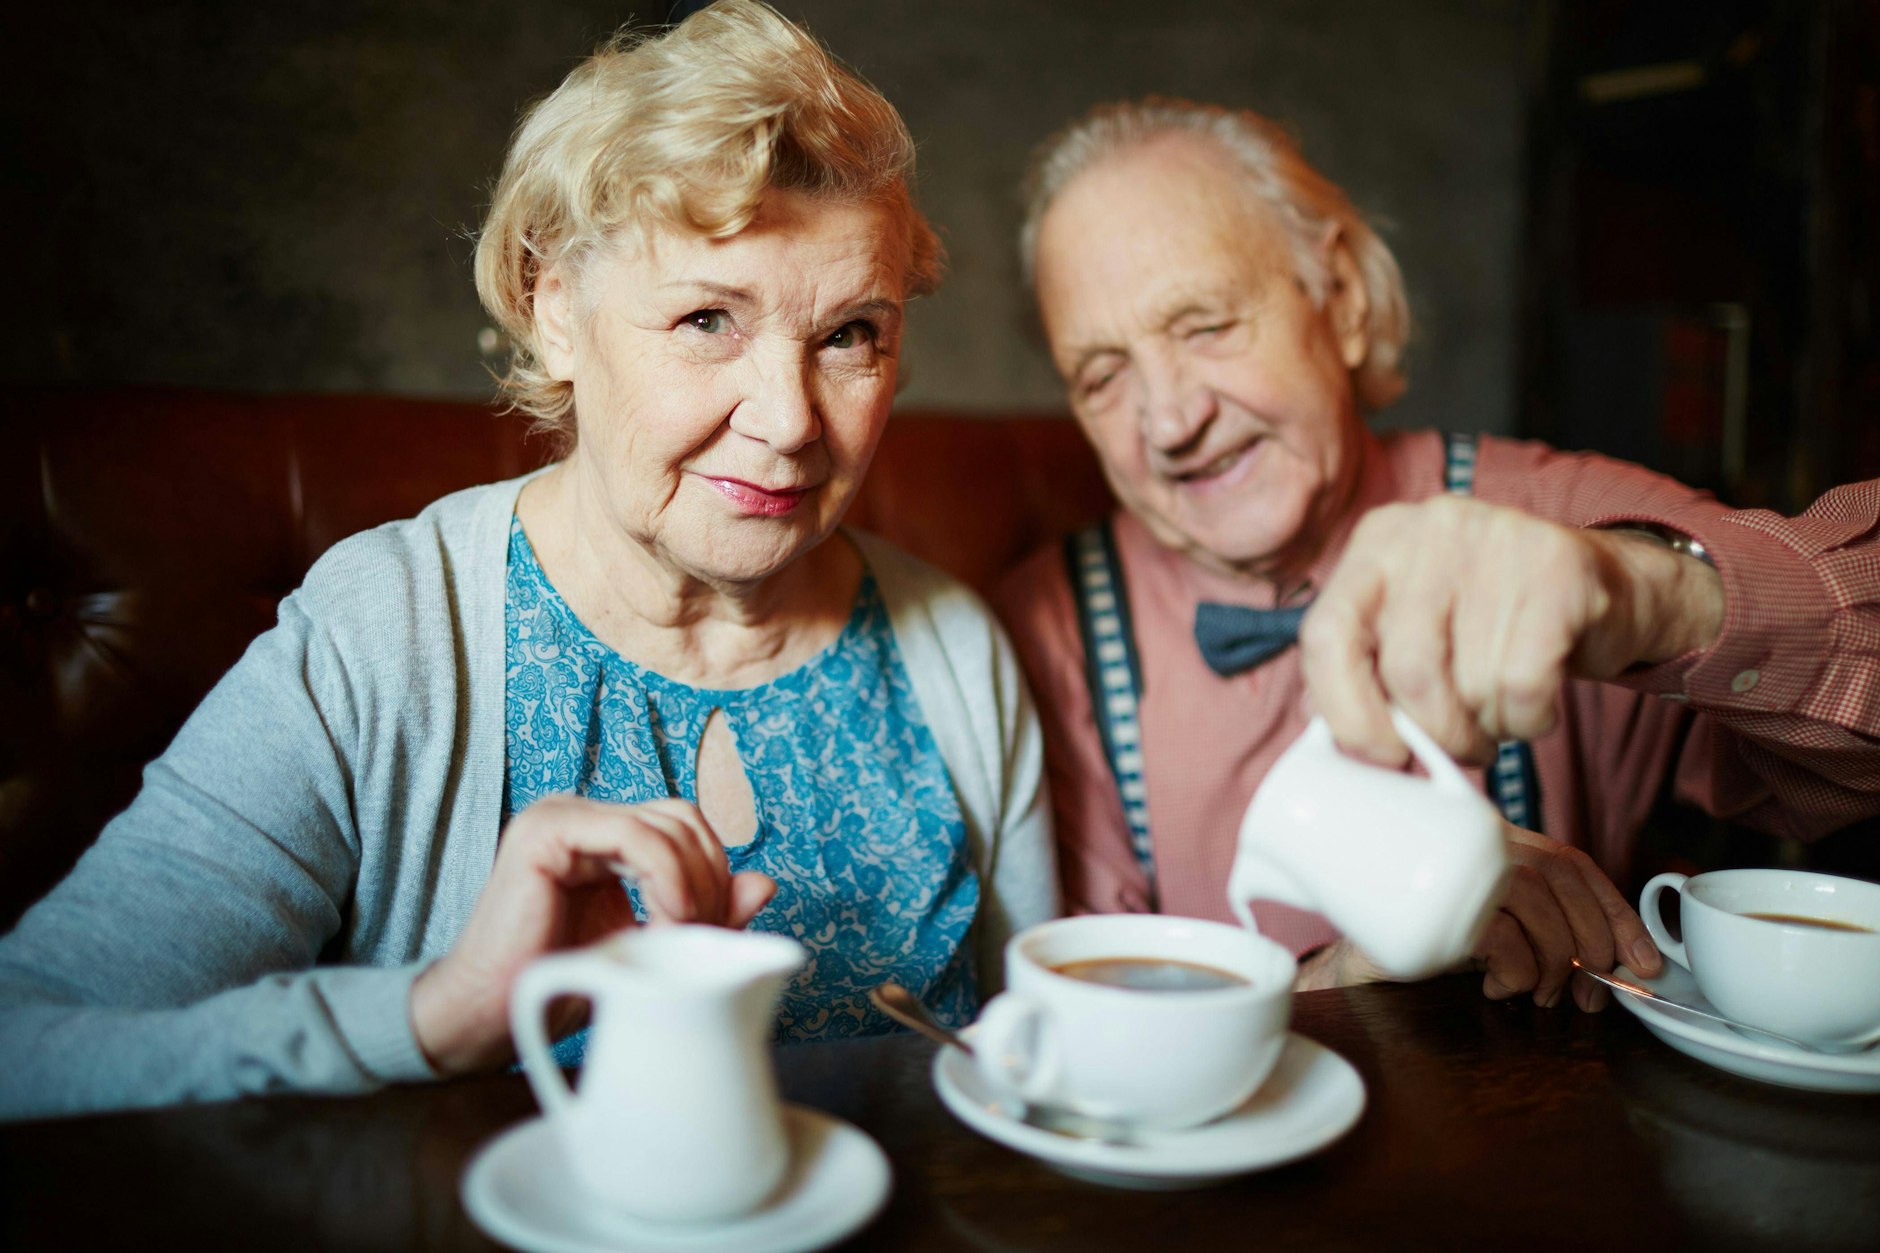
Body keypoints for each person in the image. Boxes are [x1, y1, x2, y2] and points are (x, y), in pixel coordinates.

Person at [0, 0, 1055, 1121]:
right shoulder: (387, 628)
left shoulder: (952, 643)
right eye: (707, 318)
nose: (790, 420)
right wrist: (439, 1013)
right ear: (554, 307)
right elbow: (29, 1041)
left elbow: (1039, 1055)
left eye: (849, 334)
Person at [994, 97, 1880, 1013]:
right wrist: (1330, 988)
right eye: (1102, 375)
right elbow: (1090, 1028)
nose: (1171, 420)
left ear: (1337, 299)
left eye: (1205, 325)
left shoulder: (1547, 516)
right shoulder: (1043, 635)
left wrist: (1654, 594)